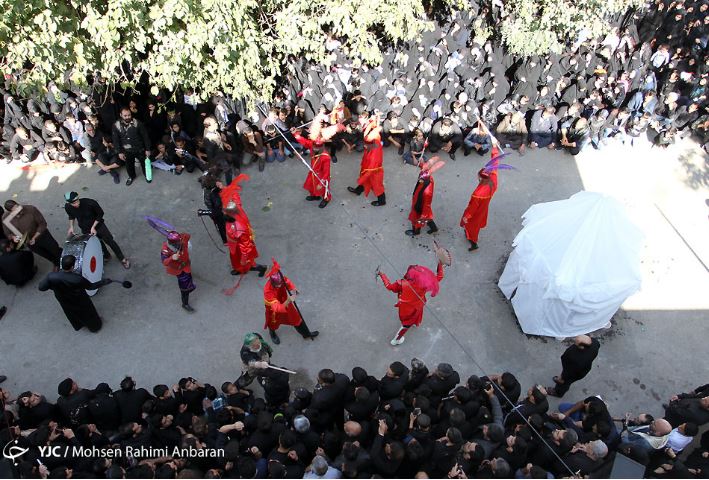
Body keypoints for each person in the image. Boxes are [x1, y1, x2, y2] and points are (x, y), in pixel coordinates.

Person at [377, 261, 445, 345]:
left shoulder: (402, 284)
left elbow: (389, 287)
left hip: (407, 309)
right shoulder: (424, 284)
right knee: (416, 316)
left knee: (406, 325)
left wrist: (382, 275)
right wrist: (440, 263)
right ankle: (414, 324)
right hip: (419, 304)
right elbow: (439, 276)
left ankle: (396, 340)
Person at [38, 254, 111, 332]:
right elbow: (91, 287)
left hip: (63, 300)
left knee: (72, 313)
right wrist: (104, 282)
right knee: (88, 313)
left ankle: (81, 324)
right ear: (72, 267)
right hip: (79, 300)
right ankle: (95, 327)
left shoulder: (51, 276)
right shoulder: (77, 279)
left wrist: (53, 287)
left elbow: (41, 287)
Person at [64, 192, 130, 269]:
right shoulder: (68, 207)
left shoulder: (90, 203)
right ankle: (107, 255)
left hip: (99, 226)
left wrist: (93, 227)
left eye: (76, 201)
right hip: (85, 229)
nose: (76, 204)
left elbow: (100, 214)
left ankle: (122, 258)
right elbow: (71, 216)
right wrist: (71, 227)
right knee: (98, 243)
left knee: (110, 242)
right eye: (73, 203)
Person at [263, 259, 319, 344]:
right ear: (272, 282)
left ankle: (306, 334)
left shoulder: (280, 277)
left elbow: (286, 281)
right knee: (273, 322)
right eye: (278, 284)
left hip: (285, 301)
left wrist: (293, 288)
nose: (280, 285)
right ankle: (272, 333)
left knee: (296, 318)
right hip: (274, 309)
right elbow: (276, 308)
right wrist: (288, 300)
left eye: (281, 283)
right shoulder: (268, 291)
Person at [460, 146, 501, 251]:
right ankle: (470, 236)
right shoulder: (493, 180)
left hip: (476, 212)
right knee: (476, 225)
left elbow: (472, 208)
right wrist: (495, 148)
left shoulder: (477, 194)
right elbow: (495, 162)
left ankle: (474, 244)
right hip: (484, 207)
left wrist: (466, 217)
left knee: (472, 227)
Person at [2, 200, 62, 269]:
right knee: (43, 253)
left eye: (18, 207)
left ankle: (65, 261)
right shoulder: (5, 218)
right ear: (10, 212)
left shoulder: (31, 209)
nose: (19, 210)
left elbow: (42, 224)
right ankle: (56, 263)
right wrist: (13, 237)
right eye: (15, 210)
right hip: (28, 242)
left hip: (42, 235)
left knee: (55, 249)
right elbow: (7, 233)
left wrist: (34, 237)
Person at [347, 116, 386, 206]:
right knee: (365, 180)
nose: (364, 146)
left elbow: (371, 168)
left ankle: (382, 201)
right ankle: (358, 190)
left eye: (366, 144)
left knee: (377, 185)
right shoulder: (374, 142)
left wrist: (362, 178)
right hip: (368, 168)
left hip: (374, 171)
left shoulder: (374, 153)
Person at [222, 201, 267, 277]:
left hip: (239, 248)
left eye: (224, 212)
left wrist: (243, 260)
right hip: (235, 245)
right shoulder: (237, 209)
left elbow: (246, 247)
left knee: (247, 263)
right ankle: (239, 269)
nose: (223, 212)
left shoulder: (239, 229)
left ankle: (261, 268)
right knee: (239, 262)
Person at [111, 106, 152, 185]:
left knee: (144, 164)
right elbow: (115, 140)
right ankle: (131, 176)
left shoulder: (138, 123)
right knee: (129, 166)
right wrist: (119, 152)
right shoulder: (116, 125)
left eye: (129, 115)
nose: (127, 117)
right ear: (121, 115)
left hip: (139, 148)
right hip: (126, 150)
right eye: (125, 115)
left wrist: (147, 149)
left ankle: (147, 175)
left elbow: (145, 136)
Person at [293, 130, 332, 209]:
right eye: (314, 147)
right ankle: (315, 196)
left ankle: (326, 199)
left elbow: (326, 172)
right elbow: (303, 141)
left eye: (317, 148)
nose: (315, 149)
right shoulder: (312, 145)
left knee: (324, 189)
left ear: (321, 146)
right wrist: (295, 134)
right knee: (311, 185)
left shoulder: (326, 157)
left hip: (321, 175)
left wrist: (321, 183)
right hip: (313, 172)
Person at [406, 157, 443, 236]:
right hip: (419, 200)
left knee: (417, 218)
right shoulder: (425, 175)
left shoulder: (427, 190)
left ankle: (416, 231)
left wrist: (422, 213)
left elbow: (426, 203)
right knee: (428, 217)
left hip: (420, 205)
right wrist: (420, 161)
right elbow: (421, 165)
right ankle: (434, 228)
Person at [161, 231, 196, 312]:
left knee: (189, 277)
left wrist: (174, 231)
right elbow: (164, 262)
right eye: (178, 241)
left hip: (186, 265)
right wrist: (172, 258)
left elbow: (188, 235)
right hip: (178, 270)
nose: (181, 242)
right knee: (184, 289)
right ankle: (185, 304)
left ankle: (190, 286)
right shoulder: (165, 249)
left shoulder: (182, 240)